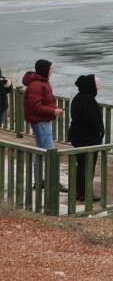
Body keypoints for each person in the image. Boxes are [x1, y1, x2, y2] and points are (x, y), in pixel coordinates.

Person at [22, 59, 66, 191]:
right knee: (50, 152)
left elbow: (42, 103)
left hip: (42, 121)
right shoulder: (36, 85)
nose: (51, 71)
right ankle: (53, 183)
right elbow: (35, 106)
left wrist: (53, 109)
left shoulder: (41, 83)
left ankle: (39, 181)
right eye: (50, 69)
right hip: (40, 122)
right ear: (44, 69)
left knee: (40, 152)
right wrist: (53, 111)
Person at [68, 74, 104, 201]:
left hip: (77, 135)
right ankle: (85, 192)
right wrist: (99, 130)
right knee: (88, 165)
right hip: (86, 137)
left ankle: (79, 191)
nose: (98, 87)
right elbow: (91, 120)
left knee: (82, 164)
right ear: (91, 86)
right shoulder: (88, 100)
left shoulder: (79, 97)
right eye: (97, 84)